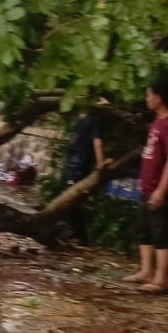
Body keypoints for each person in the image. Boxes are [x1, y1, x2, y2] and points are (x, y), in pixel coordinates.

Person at [126, 82, 168, 292]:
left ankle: (160, 279)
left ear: (160, 98)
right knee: (144, 229)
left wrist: (161, 190)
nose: (146, 99)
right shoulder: (157, 121)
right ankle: (146, 271)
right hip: (146, 186)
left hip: (158, 188)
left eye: (149, 95)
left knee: (160, 232)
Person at [63, 103, 106, 244]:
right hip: (75, 164)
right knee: (74, 199)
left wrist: (100, 164)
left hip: (77, 165)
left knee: (73, 199)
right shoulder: (84, 120)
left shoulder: (90, 120)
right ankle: (77, 232)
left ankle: (75, 232)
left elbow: (97, 142)